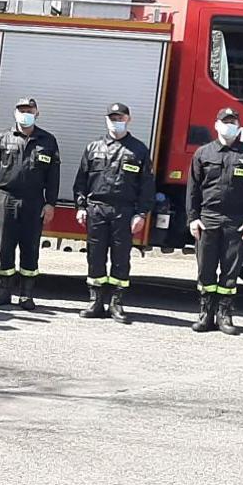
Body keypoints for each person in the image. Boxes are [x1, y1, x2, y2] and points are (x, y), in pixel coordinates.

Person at [186, 108, 243, 335]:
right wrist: (193, 219)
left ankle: (225, 316)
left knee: (230, 272)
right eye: (225, 122)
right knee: (206, 271)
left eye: (233, 122)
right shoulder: (203, 154)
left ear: (239, 126)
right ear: (216, 125)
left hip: (237, 221)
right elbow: (192, 190)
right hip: (208, 219)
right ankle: (206, 315)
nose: (229, 126)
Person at [71, 102, 155, 322]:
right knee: (95, 256)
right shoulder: (93, 147)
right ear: (106, 119)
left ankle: (117, 304)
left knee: (121, 258)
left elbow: (147, 186)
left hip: (124, 212)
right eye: (112, 117)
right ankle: (95, 302)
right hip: (96, 209)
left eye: (120, 117)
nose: (116, 121)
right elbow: (81, 181)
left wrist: (141, 214)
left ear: (128, 119)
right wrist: (80, 207)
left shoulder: (138, 150)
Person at [0, 97, 59, 310]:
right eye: (22, 110)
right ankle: (4, 291)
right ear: (15, 113)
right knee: (4, 246)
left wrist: (50, 203)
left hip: (34, 201)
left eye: (29, 110)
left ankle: (26, 294)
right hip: (7, 198)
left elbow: (53, 176)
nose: (25, 113)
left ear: (37, 112)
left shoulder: (48, 141)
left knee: (30, 247)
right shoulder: (1, 139)